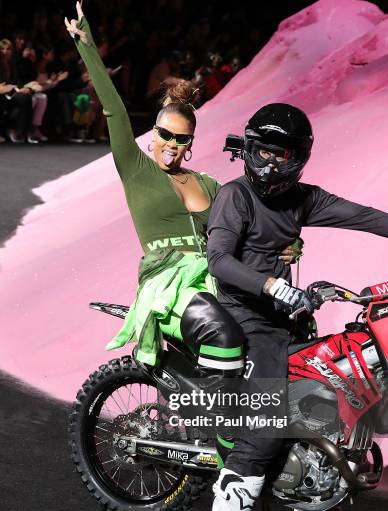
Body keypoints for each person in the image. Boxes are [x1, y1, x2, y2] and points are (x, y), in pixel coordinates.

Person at [201, 102, 388, 511]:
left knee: (337, 401)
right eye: (263, 152)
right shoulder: (235, 196)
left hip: (288, 321)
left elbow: (363, 216)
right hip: (244, 321)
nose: (270, 163)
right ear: (249, 150)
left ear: (297, 158)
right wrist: (272, 286)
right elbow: (219, 263)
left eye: (281, 154)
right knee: (268, 426)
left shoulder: (302, 198)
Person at [63, 4, 298, 393]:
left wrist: (290, 244)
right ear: (153, 134)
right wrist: (87, 44)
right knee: (223, 334)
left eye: (181, 138)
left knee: (276, 326)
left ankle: (270, 423)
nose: (171, 145)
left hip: (213, 279)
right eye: (165, 135)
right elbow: (114, 110)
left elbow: (253, 221)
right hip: (168, 283)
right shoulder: (137, 169)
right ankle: (224, 430)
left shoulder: (207, 184)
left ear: (191, 143)